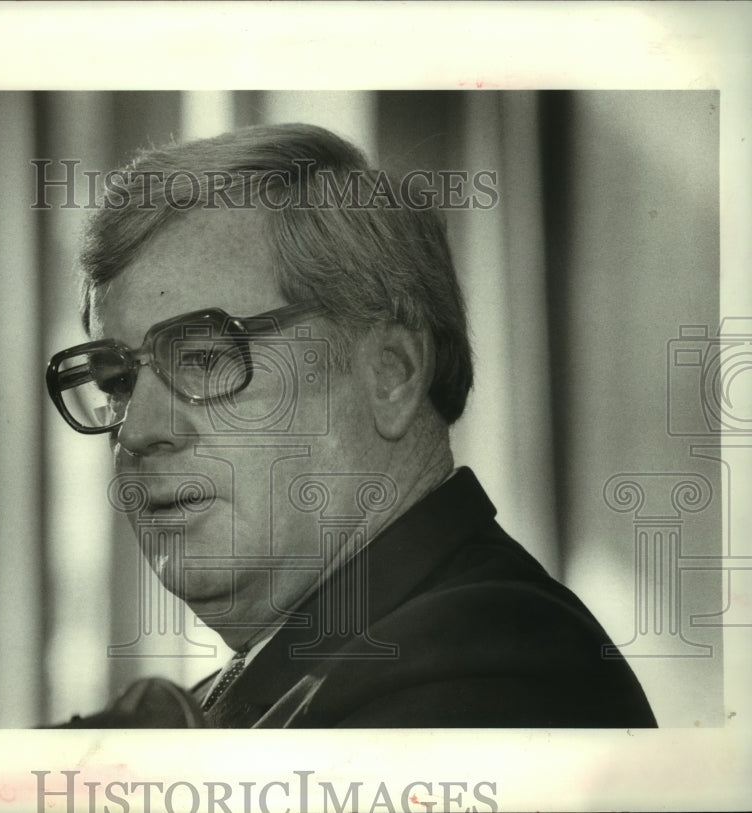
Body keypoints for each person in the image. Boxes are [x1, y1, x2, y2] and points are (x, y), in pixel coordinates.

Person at [45, 123, 656, 728]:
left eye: (205, 357)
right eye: (117, 382)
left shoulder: (490, 665)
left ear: (391, 374)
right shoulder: (280, 674)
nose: (137, 430)